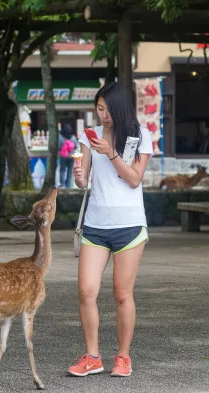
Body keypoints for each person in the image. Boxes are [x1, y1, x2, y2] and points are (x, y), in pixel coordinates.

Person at [68, 82, 153, 378]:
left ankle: (123, 357)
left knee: (121, 293)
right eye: (98, 109)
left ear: (119, 108)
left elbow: (134, 180)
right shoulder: (88, 136)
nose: (102, 115)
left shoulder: (141, 136)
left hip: (129, 225)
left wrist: (111, 153)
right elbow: (84, 181)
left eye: (107, 109)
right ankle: (92, 356)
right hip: (95, 224)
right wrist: (79, 175)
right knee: (86, 290)